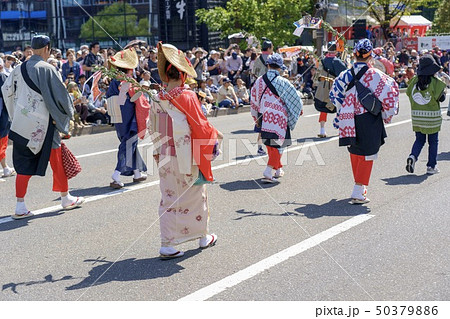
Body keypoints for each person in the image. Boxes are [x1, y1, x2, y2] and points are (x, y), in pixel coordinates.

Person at [150, 42, 223, 259]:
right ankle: (203, 236)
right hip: (184, 154)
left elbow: (151, 126)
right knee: (196, 195)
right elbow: (199, 125)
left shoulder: (158, 97)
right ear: (182, 75)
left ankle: (168, 243)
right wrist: (213, 139)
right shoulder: (186, 95)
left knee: (169, 196)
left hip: (164, 152)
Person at [1, 35, 84, 219]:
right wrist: (68, 112)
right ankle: (65, 198)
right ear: (47, 48)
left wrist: (16, 114)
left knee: (23, 165)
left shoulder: (17, 69)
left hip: (22, 125)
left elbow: (6, 91)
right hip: (45, 125)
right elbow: (61, 97)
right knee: (56, 159)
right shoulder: (48, 69)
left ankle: (20, 205)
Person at [330, 39, 399, 204]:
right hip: (368, 117)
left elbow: (334, 96)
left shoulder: (344, 75)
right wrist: (386, 114)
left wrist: (344, 109)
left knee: (354, 150)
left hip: (348, 118)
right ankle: (359, 190)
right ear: (371, 56)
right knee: (368, 154)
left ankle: (359, 187)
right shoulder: (376, 75)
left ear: (354, 54)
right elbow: (391, 94)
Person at [250, 53, 303, 183]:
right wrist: (298, 110)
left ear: (267, 65)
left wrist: (255, 116)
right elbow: (295, 99)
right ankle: (268, 171)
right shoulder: (283, 81)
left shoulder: (259, 81)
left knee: (270, 144)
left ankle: (278, 168)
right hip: (279, 117)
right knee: (279, 144)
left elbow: (254, 99)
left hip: (263, 115)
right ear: (279, 67)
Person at [105, 48, 148, 189]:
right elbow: (140, 102)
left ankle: (136, 173)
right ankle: (116, 175)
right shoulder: (128, 82)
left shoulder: (113, 82)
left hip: (118, 118)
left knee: (129, 144)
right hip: (129, 118)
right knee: (128, 144)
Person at [405, 55, 447, 175]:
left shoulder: (414, 81)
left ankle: (413, 156)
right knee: (433, 142)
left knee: (419, 140)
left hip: (417, 116)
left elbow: (408, 93)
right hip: (432, 117)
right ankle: (431, 166)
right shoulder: (436, 82)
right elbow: (442, 98)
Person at [313, 42, 347, 138]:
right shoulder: (338, 62)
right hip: (336, 87)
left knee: (323, 108)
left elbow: (317, 76)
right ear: (336, 50)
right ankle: (341, 129)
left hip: (323, 88)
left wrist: (316, 83)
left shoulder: (322, 60)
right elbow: (344, 75)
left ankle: (322, 130)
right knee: (340, 107)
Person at [0, 72, 15, 179]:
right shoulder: (2, 76)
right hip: (2, 116)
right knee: (2, 144)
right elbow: (8, 93)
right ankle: (5, 168)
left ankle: (5, 168)